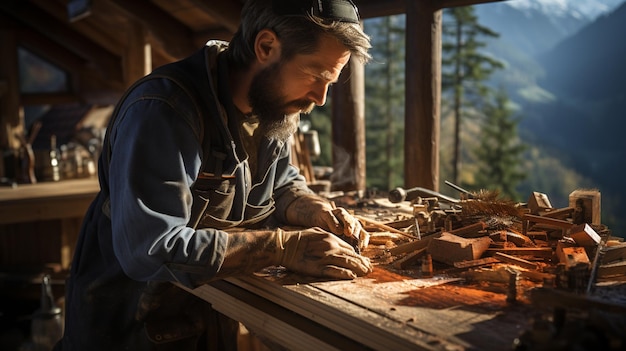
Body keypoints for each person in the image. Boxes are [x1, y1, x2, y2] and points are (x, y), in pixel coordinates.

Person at [54, 0, 373, 350]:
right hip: (129, 328)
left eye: (331, 80)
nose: (321, 97)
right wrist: (283, 247)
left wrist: (308, 205)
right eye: (315, 75)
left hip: (203, 314)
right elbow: (152, 248)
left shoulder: (275, 106)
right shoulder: (163, 111)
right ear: (266, 47)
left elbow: (278, 181)